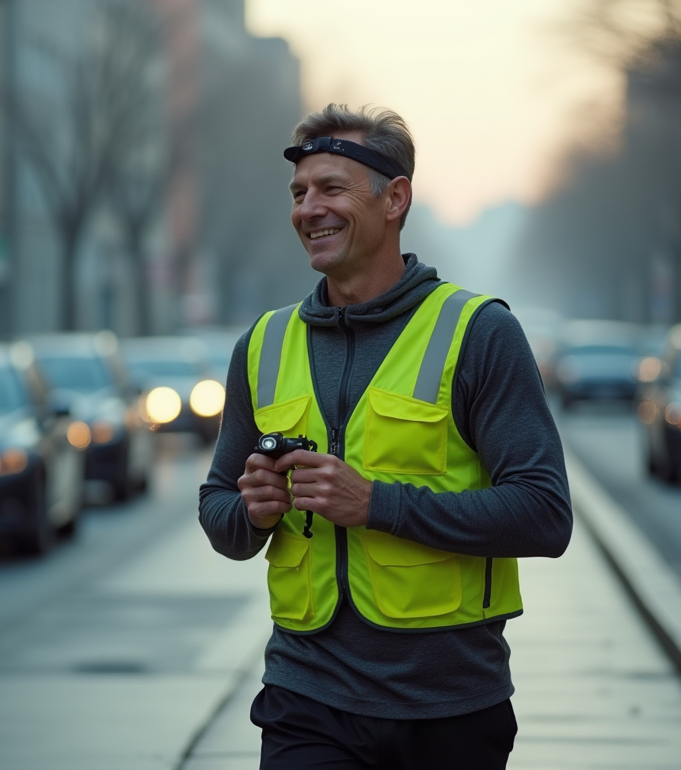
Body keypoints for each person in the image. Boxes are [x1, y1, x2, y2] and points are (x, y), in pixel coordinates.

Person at [198, 104, 572, 769]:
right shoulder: (263, 344)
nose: (308, 209)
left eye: (331, 189)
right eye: (299, 193)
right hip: (304, 696)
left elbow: (545, 515)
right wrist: (251, 513)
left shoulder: (478, 332)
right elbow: (219, 511)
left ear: (395, 198)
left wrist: (375, 504)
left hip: (450, 708)